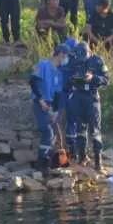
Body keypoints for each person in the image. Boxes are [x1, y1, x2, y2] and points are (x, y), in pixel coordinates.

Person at [66, 42, 109, 170]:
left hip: (92, 97)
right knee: (80, 129)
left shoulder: (97, 61)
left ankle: (98, 161)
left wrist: (93, 78)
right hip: (78, 96)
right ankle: (82, 157)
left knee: (95, 130)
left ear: (89, 52)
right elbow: (68, 77)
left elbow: (106, 79)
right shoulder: (74, 60)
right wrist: (74, 79)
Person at [30, 44, 70, 174]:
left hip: (51, 105)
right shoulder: (43, 65)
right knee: (47, 132)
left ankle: (54, 162)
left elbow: (58, 94)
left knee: (55, 134)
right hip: (40, 102)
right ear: (61, 54)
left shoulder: (59, 72)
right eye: (66, 55)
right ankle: (42, 163)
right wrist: (40, 100)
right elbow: (33, 82)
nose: (66, 59)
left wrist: (56, 111)